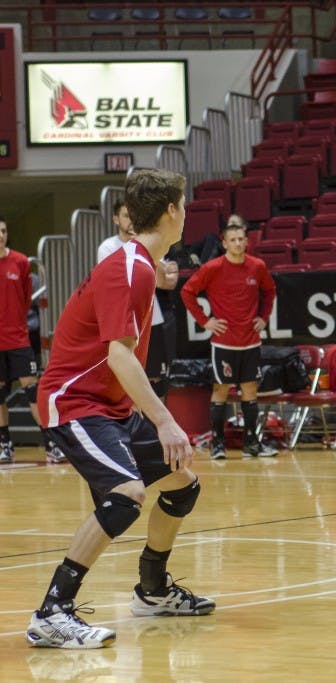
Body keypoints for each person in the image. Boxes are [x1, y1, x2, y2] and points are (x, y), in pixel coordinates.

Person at [26, 169, 214, 650]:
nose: (187, 212)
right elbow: (119, 354)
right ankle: (52, 612)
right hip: (72, 401)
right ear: (171, 210)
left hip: (108, 404)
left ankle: (152, 591)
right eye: (185, 204)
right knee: (125, 495)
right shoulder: (132, 267)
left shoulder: (143, 265)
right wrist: (166, 419)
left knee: (181, 485)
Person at [180, 217, 277, 461]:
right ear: (224, 243)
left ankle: (252, 444)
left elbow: (270, 291)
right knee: (220, 389)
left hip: (251, 340)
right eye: (232, 240)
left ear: (247, 241)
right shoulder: (212, 268)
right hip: (224, 342)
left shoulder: (257, 266)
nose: (237, 243)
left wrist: (264, 317)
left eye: (241, 239)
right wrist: (205, 321)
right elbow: (187, 292)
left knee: (250, 391)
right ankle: (218, 444)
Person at [97, 200, 179, 400]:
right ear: (116, 219)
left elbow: (168, 283)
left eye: (135, 215)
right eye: (126, 216)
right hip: (125, 322)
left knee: (157, 380)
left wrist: (150, 254)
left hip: (153, 320)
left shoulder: (149, 244)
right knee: (128, 381)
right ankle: (135, 430)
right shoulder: (108, 247)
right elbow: (124, 283)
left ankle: (156, 430)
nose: (131, 221)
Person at [0, 218, 65, 464]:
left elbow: (26, 298)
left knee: (32, 391)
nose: (1, 235)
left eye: (4, 231)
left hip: (18, 340)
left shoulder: (20, 261)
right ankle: (5, 445)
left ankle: (50, 443)